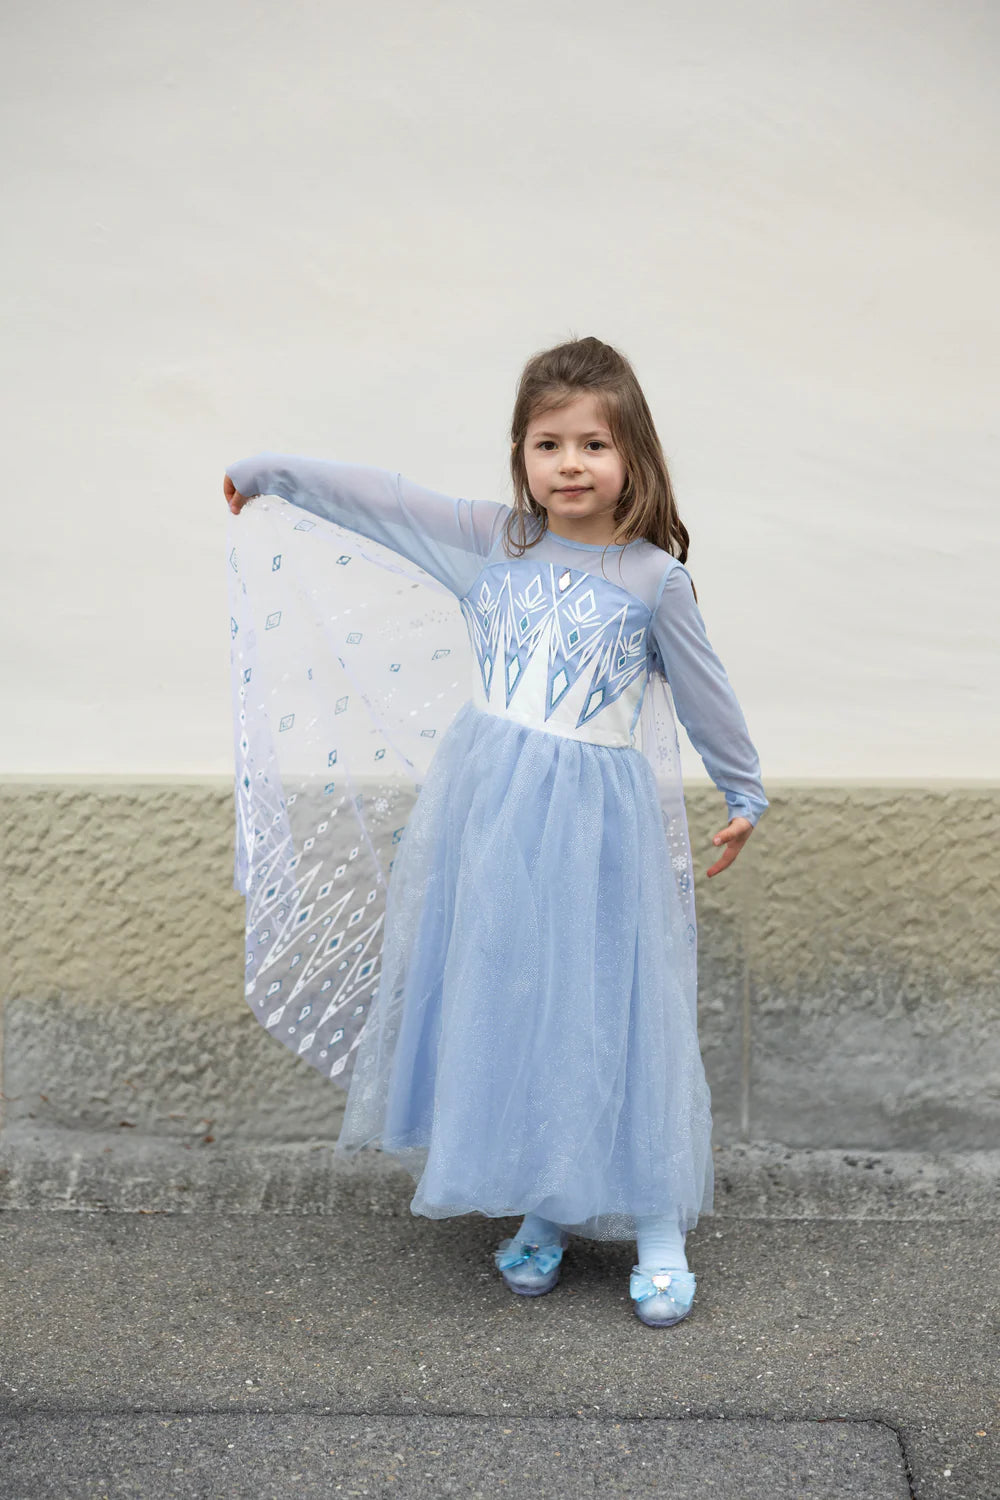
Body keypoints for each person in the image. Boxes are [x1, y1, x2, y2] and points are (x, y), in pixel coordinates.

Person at [223, 335, 767, 1328]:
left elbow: (704, 691)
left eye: (593, 444)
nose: (569, 464)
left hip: (596, 831)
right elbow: (381, 499)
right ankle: (548, 1206)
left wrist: (743, 791)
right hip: (492, 819)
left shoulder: (653, 580)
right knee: (519, 1002)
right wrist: (269, 473)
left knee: (609, 1006)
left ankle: (656, 1224)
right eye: (546, 443)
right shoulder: (491, 542)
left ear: (632, 456)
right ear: (519, 454)